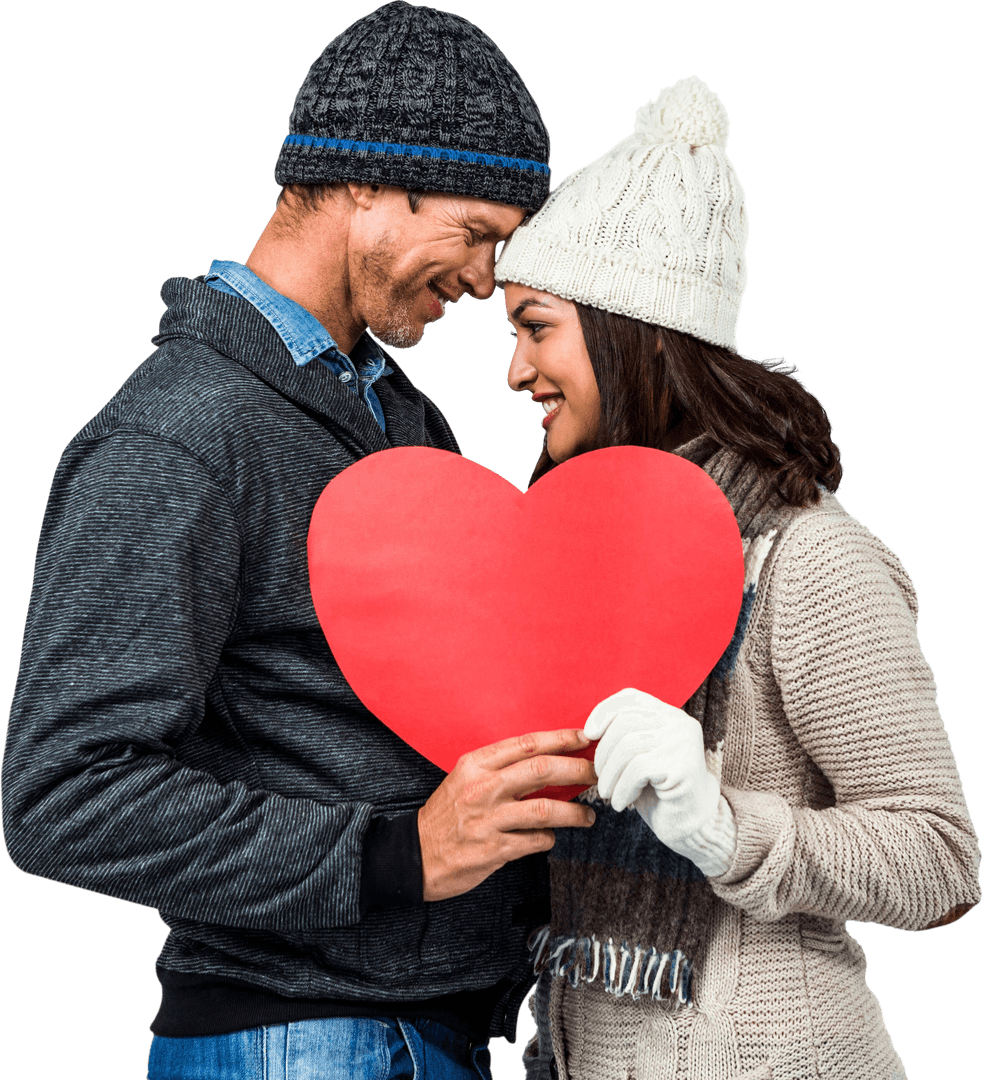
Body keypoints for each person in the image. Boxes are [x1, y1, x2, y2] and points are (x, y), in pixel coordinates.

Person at [0, 4, 596, 1078]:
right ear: (366, 181)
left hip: (424, 1030)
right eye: (476, 235)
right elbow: (63, 797)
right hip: (299, 1039)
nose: (482, 281)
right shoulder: (181, 432)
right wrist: (395, 854)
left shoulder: (402, 420)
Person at [494, 75, 981, 1080]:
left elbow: (939, 862)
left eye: (535, 325)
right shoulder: (577, 572)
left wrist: (721, 826)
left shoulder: (808, 558)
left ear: (626, 329)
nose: (514, 369)